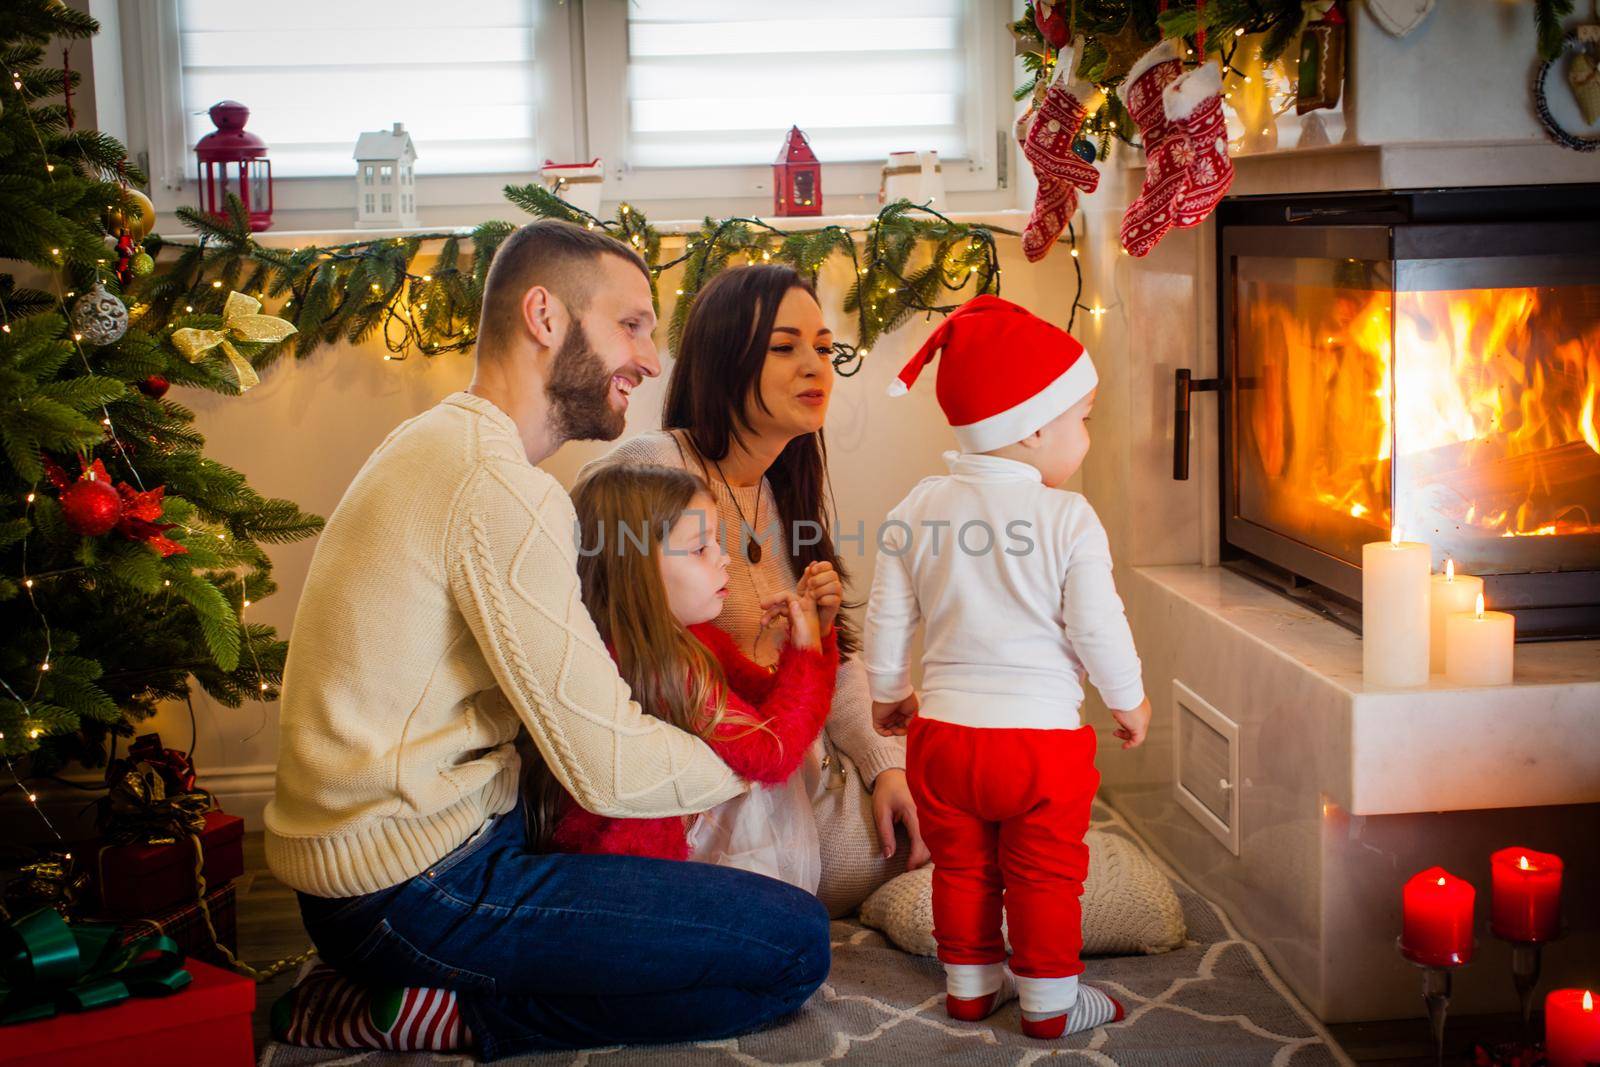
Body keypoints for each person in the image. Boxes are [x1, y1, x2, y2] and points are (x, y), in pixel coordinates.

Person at [264, 220, 830, 1060]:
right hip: (412, 886)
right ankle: (443, 1014)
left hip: (392, 864)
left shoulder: (442, 445)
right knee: (793, 948)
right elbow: (603, 763)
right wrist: (760, 759)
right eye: (630, 325)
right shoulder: (497, 487)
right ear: (545, 316)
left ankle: (433, 980)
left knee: (695, 911)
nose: (647, 357)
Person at [583, 264, 930, 917]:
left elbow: (837, 657)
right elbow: (588, 648)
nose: (815, 366)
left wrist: (885, 763)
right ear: (725, 359)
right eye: (785, 346)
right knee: (967, 795)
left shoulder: (783, 490)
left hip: (798, 771)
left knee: (951, 744)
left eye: (825, 348)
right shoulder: (648, 472)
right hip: (719, 812)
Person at [865, 294, 1153, 1039]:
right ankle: (1052, 1000)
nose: (1088, 433)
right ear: (1032, 430)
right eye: (1081, 417)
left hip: (946, 740)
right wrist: (1129, 699)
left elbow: (888, 615)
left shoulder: (917, 506)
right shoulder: (1067, 518)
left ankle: (969, 984)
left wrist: (889, 693)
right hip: (1039, 746)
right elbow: (1097, 622)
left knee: (962, 868)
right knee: (1045, 871)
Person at [538, 462, 842, 870]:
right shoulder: (662, 669)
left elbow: (774, 705)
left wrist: (815, 636)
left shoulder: (693, 638)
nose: (725, 559)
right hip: (636, 875)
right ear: (635, 569)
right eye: (701, 549)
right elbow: (774, 751)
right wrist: (805, 653)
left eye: (717, 543)